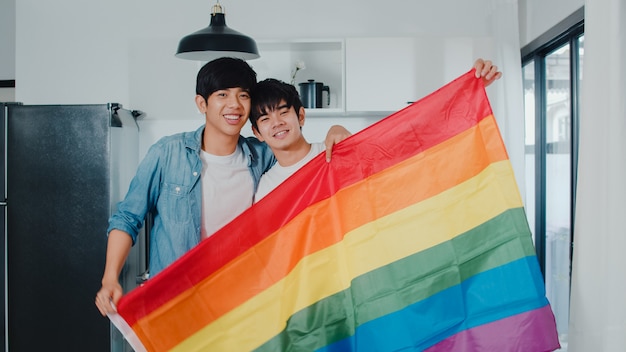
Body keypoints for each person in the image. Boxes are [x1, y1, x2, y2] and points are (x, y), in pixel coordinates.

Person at [95, 57, 350, 316]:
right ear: (202, 103)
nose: (234, 105)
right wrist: (110, 279)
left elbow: (300, 156)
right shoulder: (168, 153)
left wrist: (338, 132)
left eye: (243, 95)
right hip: (176, 304)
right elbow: (128, 217)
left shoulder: (261, 156)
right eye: (223, 94)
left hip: (238, 306)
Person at [250, 58, 502, 202]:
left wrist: (469, 92)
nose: (277, 122)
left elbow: (406, 147)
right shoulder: (267, 187)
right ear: (257, 132)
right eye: (265, 118)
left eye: (283, 112)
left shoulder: (336, 151)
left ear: (300, 115)